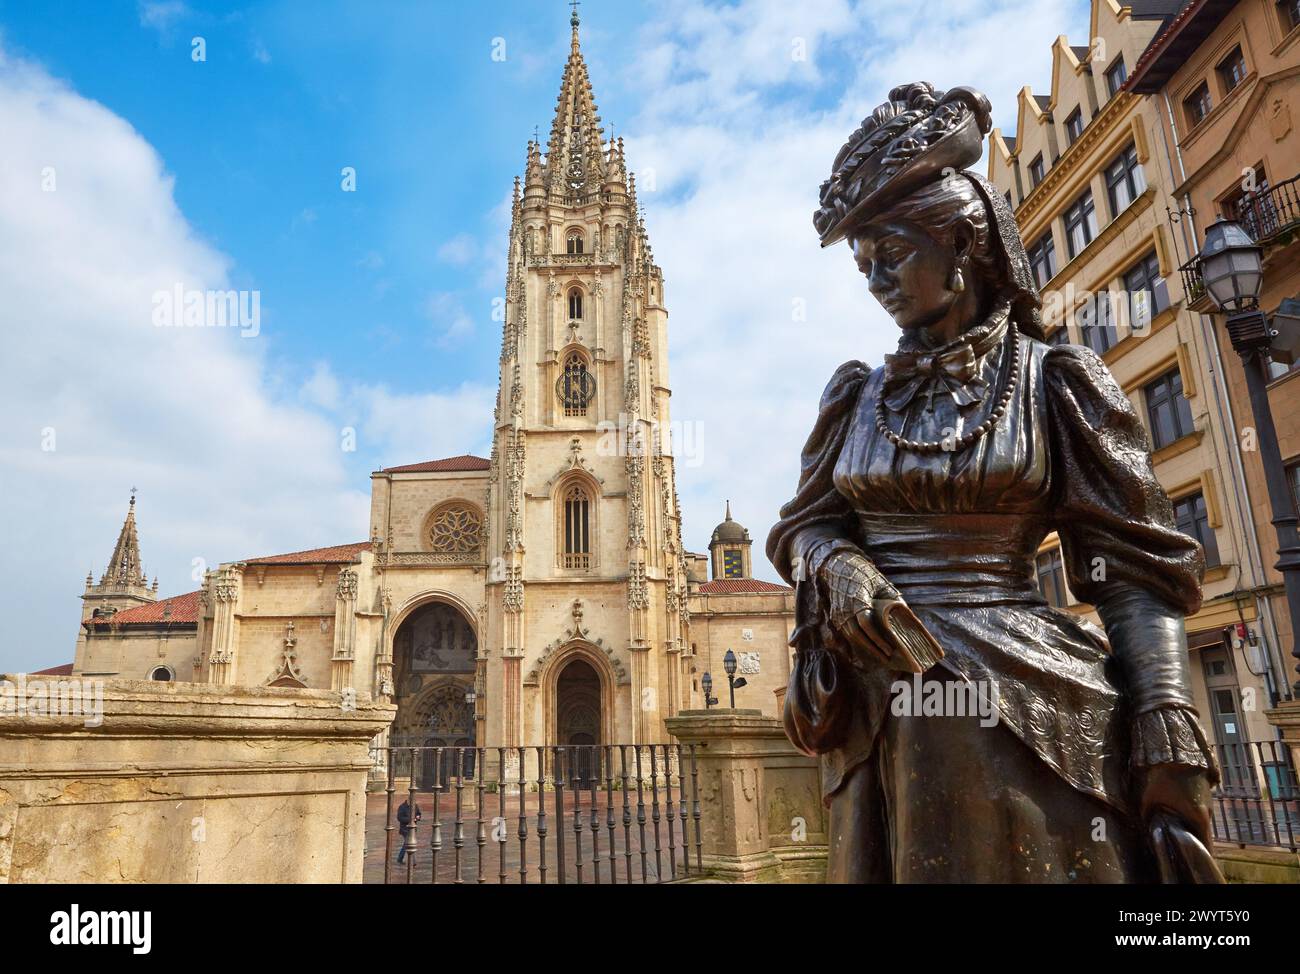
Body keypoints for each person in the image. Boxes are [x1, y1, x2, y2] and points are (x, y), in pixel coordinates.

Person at [769, 81, 1220, 883]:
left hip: (1023, 699)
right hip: (882, 710)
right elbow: (804, 524)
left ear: (966, 243)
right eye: (864, 264)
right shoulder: (856, 395)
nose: (875, 281)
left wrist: (1164, 719)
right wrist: (835, 564)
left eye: (894, 254)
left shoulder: (1057, 382)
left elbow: (1135, 574)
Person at [395, 797, 422, 865]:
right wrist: (411, 819)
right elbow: (400, 818)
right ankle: (413, 861)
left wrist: (418, 817)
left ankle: (400, 858)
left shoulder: (415, 805)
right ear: (408, 800)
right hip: (405, 829)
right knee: (410, 844)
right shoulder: (402, 807)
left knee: (407, 844)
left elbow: (418, 813)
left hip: (413, 829)